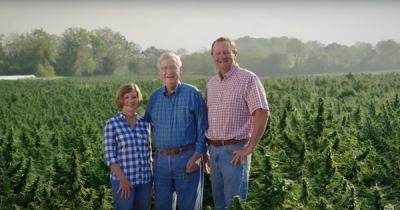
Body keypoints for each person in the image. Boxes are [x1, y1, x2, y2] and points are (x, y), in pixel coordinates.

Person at [205, 37, 269, 210]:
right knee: (219, 203)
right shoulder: (211, 84)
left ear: (235, 54)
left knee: (234, 204)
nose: (222, 56)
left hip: (234, 151)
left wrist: (249, 147)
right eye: (217, 53)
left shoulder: (248, 79)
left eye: (226, 52)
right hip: (213, 151)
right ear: (213, 56)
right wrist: (205, 151)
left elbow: (261, 112)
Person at [144, 52, 208, 210]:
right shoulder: (154, 97)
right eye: (164, 68)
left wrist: (198, 155)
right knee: (162, 205)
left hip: (187, 157)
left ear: (181, 70)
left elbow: (203, 127)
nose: (169, 71)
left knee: (189, 205)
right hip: (161, 161)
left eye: (173, 67)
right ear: (159, 72)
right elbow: (145, 125)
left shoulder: (192, 93)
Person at [103, 83, 152, 210]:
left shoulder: (144, 123)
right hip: (124, 182)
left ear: (138, 99)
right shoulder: (112, 124)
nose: (131, 101)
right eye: (126, 97)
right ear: (121, 99)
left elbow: (149, 152)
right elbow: (110, 157)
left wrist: (151, 179)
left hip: (144, 180)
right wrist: (123, 180)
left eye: (134, 97)